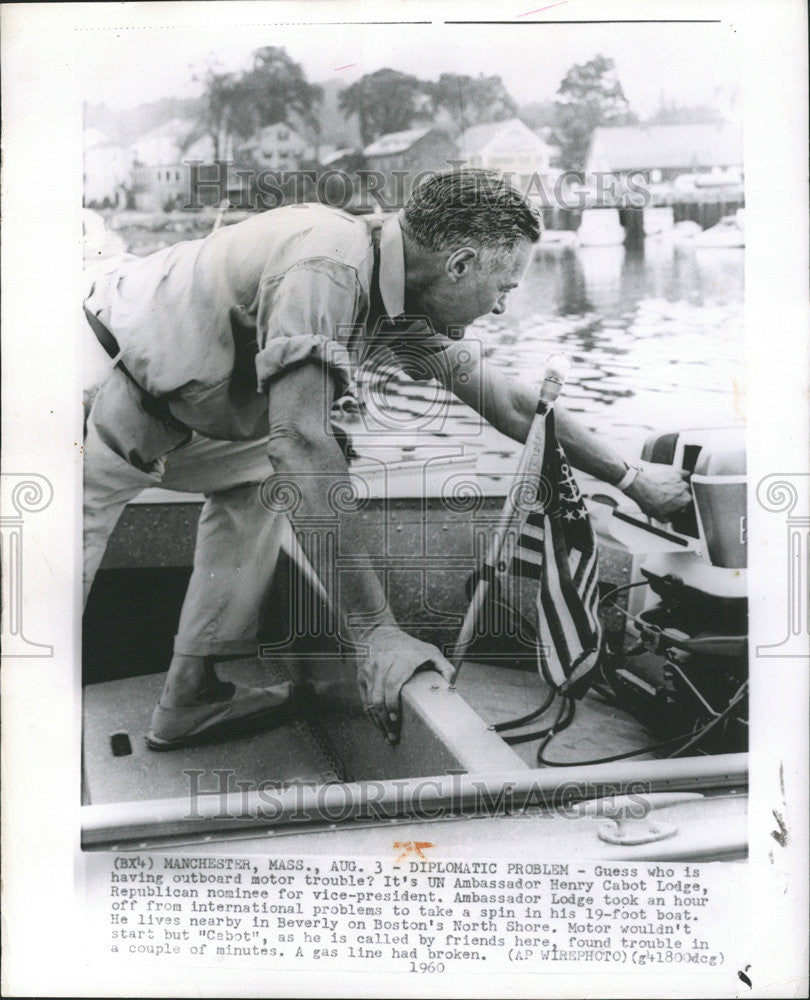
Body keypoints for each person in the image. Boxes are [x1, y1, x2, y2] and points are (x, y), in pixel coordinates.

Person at [82, 169, 690, 749]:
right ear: (459, 265)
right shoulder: (329, 262)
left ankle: (191, 694)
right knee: (40, 600)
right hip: (83, 398)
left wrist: (633, 479)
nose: (502, 308)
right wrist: (375, 633)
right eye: (503, 289)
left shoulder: (396, 292)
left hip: (171, 412)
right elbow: (301, 442)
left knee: (260, 478)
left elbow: (505, 400)